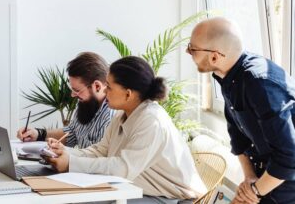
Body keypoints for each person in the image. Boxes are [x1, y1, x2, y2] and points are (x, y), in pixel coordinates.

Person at [47, 56, 206, 203]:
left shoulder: (152, 121)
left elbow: (122, 168)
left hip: (170, 198)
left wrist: (71, 163)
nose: (104, 90)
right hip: (140, 189)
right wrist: (66, 153)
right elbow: (100, 151)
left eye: (108, 87)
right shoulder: (123, 115)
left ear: (128, 94)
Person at [187, 17, 295, 204]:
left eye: (192, 49)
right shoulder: (228, 76)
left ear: (214, 56)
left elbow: (289, 157)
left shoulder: (258, 83)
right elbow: (237, 136)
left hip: (285, 183)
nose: (188, 52)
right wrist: (249, 177)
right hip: (264, 176)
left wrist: (254, 192)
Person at [17, 52, 114, 148]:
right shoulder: (87, 104)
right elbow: (71, 133)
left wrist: (67, 157)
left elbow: (99, 159)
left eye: (77, 90)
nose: (72, 95)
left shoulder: (111, 118)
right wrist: (38, 134)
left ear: (97, 86)